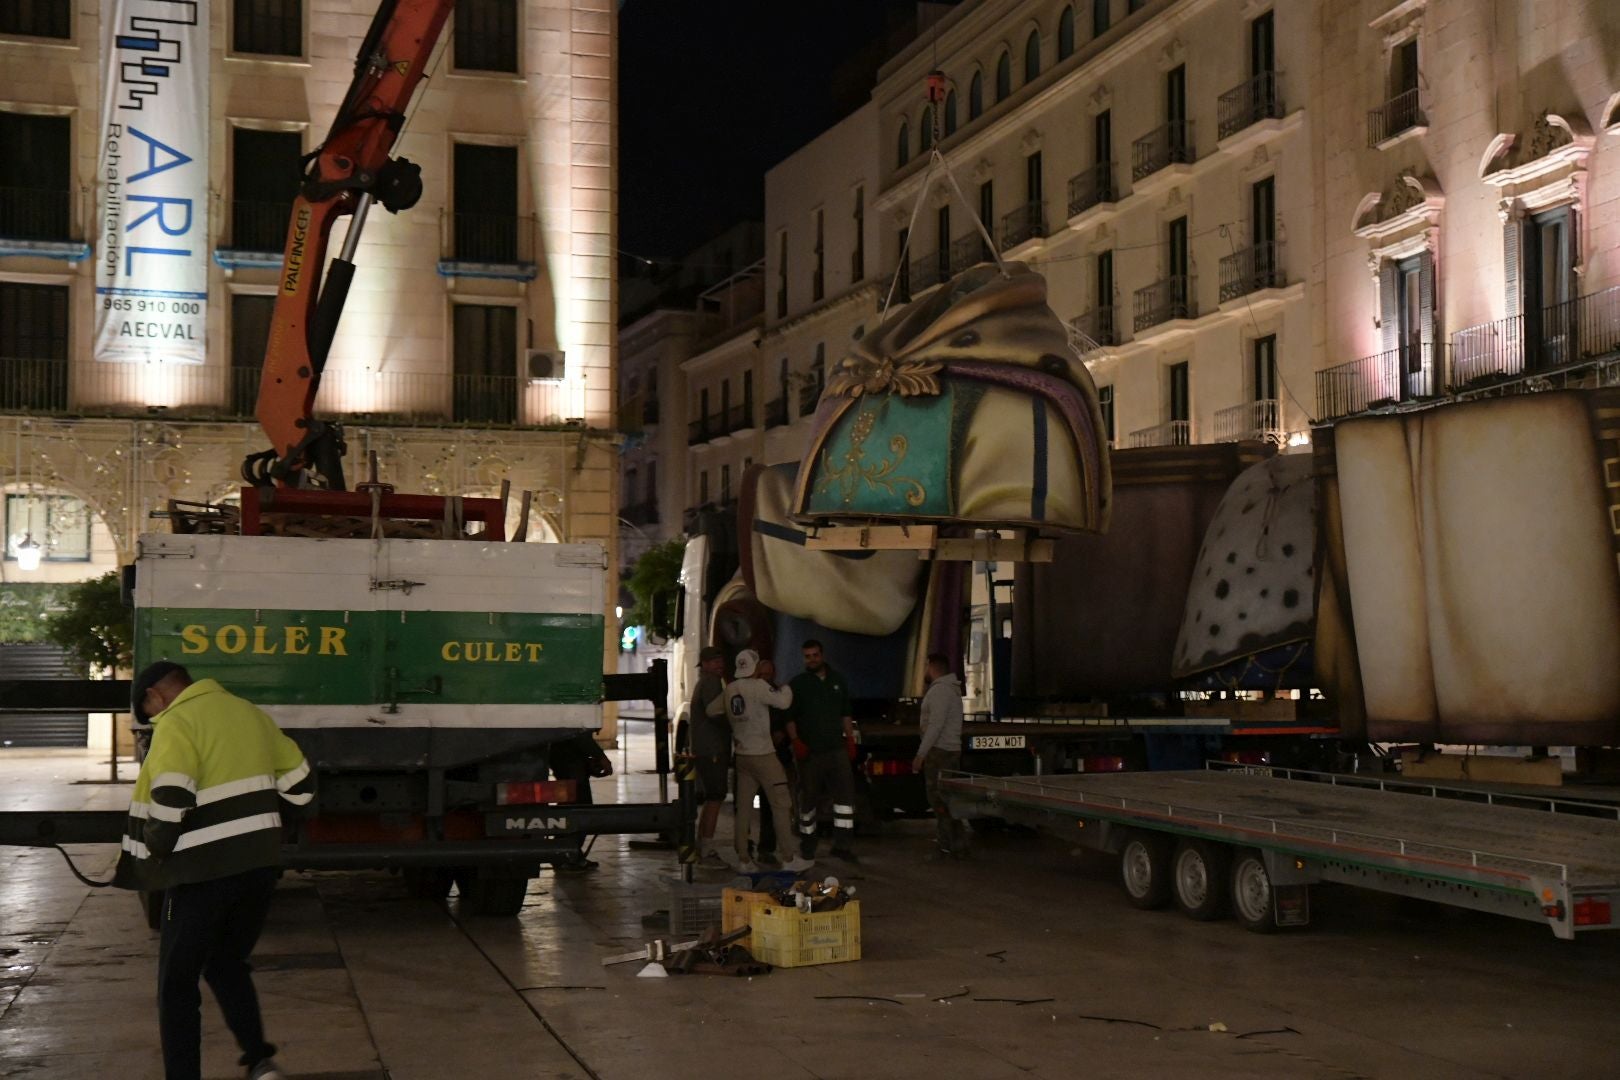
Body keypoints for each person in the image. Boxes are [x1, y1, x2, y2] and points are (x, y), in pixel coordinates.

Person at [114, 661, 314, 1080]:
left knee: (176, 984)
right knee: (226, 963)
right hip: (258, 870)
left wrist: (157, 848)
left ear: (156, 696)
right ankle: (260, 1061)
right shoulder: (249, 713)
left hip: (198, 873)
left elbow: (170, 794)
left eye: (149, 714)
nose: (153, 721)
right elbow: (303, 790)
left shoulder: (177, 721)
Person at [724, 650, 814, 874]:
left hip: (742, 757)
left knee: (743, 810)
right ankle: (788, 857)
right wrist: (786, 687)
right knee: (781, 806)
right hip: (764, 756)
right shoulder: (759, 686)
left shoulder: (730, 689)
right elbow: (783, 703)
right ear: (754, 667)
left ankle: (743, 859)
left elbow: (711, 709)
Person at [786, 640, 859, 862]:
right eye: (807, 656)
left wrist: (850, 739)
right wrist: (795, 741)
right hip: (811, 752)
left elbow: (845, 713)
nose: (812, 659)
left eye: (815, 655)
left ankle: (842, 845)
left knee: (845, 799)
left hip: (837, 749)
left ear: (822, 655)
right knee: (808, 800)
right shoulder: (797, 684)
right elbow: (789, 718)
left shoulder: (838, 681)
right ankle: (808, 845)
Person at [913, 653, 969, 858]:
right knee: (948, 800)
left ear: (930, 666)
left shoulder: (940, 692)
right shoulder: (950, 690)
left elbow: (935, 726)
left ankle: (946, 846)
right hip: (949, 750)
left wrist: (921, 754)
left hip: (940, 752)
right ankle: (958, 844)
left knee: (939, 800)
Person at [687, 645, 733, 868]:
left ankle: (702, 845)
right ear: (704, 664)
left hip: (705, 749)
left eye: (720, 660)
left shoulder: (703, 682)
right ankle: (706, 848)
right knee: (715, 797)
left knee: (710, 799)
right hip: (713, 749)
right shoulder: (711, 683)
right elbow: (716, 713)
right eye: (714, 661)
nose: (719, 664)